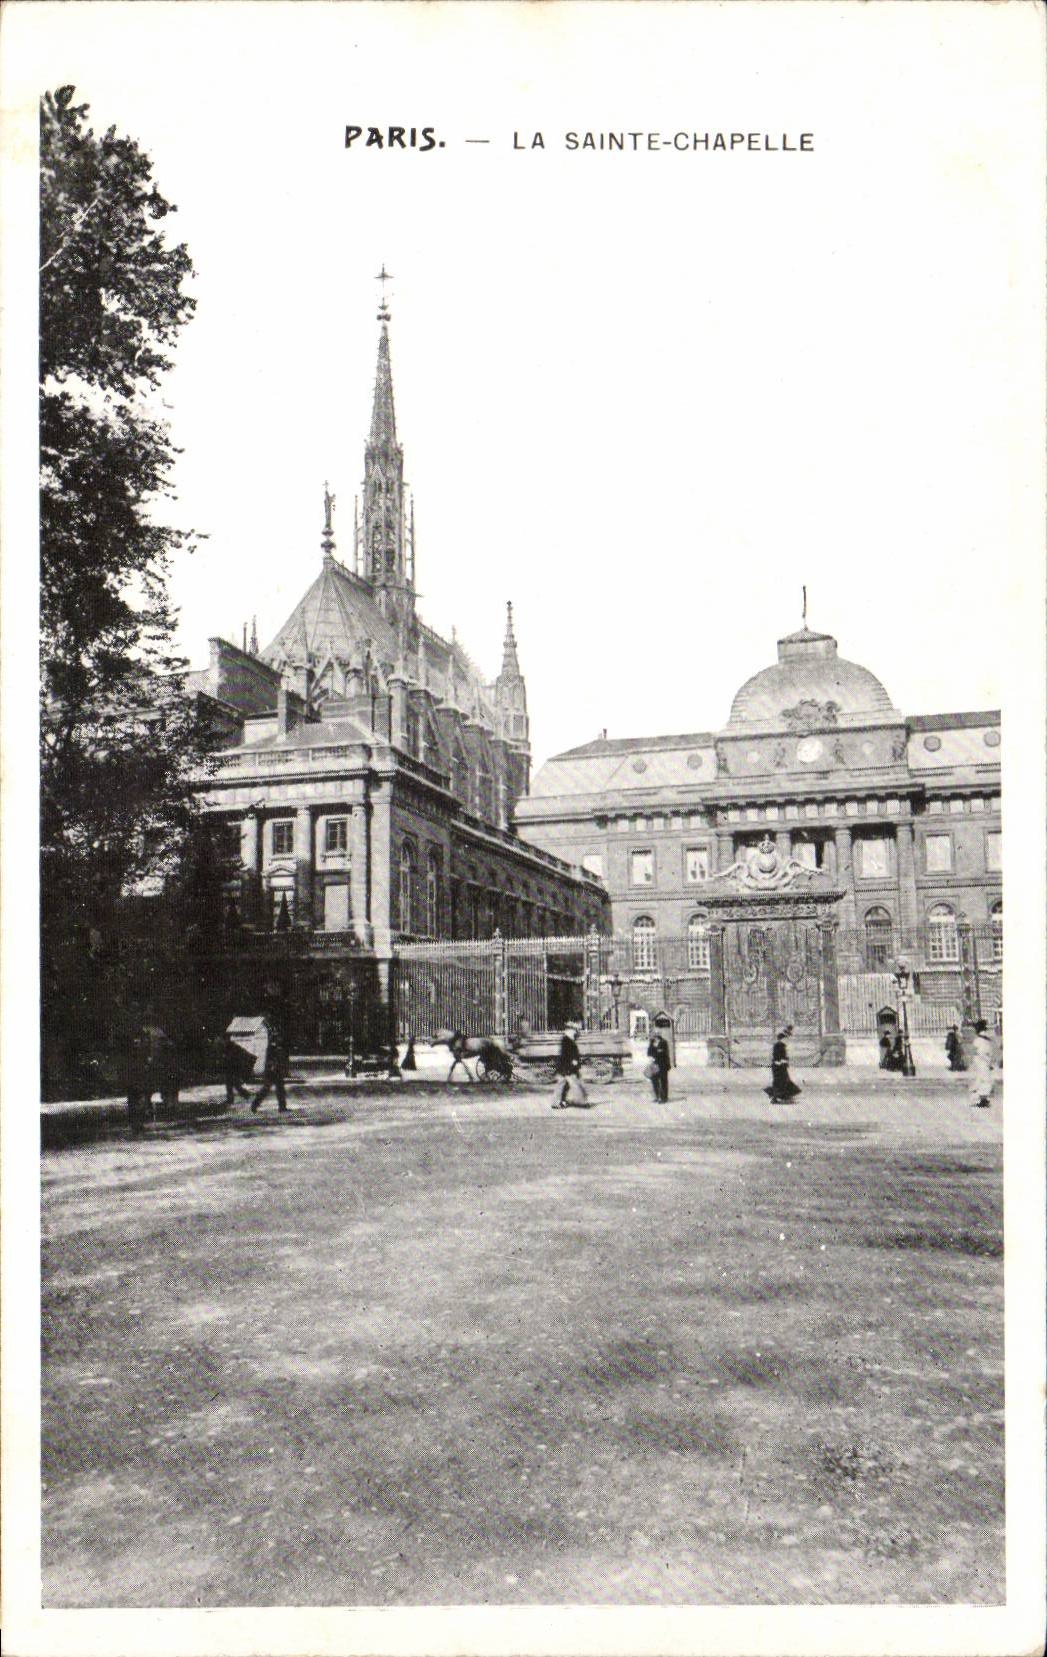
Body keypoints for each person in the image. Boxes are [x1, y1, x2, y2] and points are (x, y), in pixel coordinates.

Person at [251, 1013, 289, 1113]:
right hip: (272, 1068)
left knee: (279, 1087)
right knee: (267, 1088)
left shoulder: (275, 1043)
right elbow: (271, 1056)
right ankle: (255, 1104)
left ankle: (282, 1107)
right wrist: (272, 1065)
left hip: (275, 1068)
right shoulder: (272, 1045)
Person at [765, 1025, 801, 1102]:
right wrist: (780, 1061)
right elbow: (776, 1056)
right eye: (785, 1039)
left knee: (783, 1081)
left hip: (781, 1067)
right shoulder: (778, 1045)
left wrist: (784, 1061)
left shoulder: (782, 1045)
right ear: (782, 1039)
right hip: (778, 1067)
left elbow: (783, 1056)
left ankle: (782, 1097)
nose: (787, 1040)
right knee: (781, 1082)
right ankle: (780, 1097)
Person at [551, 1021, 582, 1109]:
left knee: (565, 1084)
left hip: (568, 1066)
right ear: (568, 1030)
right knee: (562, 1084)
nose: (575, 1032)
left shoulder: (569, 1039)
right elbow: (566, 1055)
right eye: (573, 1030)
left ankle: (562, 1101)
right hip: (565, 1066)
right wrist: (573, 1061)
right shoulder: (566, 1040)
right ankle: (556, 1103)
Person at [968, 1019, 995, 1108]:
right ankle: (983, 1098)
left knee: (981, 1080)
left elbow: (974, 1051)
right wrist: (990, 1062)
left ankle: (981, 1099)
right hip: (986, 1061)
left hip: (980, 1061)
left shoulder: (978, 1040)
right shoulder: (988, 1040)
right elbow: (990, 1052)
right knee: (985, 1080)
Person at [222, 1032, 254, 1104]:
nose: (224, 1041)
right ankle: (231, 1099)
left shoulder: (233, 1047)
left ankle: (246, 1095)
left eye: (225, 1040)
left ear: (227, 1039)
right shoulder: (226, 1047)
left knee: (235, 1085)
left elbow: (237, 1057)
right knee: (229, 1085)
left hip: (235, 1069)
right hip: (229, 1069)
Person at [646, 1030, 671, 1102]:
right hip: (655, 1064)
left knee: (663, 1081)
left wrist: (655, 1053)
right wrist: (653, 1046)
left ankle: (664, 1098)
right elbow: (648, 1053)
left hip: (663, 1064)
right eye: (652, 1035)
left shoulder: (663, 1042)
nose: (652, 1036)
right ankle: (657, 1096)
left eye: (654, 1035)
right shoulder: (652, 1042)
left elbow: (661, 1054)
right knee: (654, 1080)